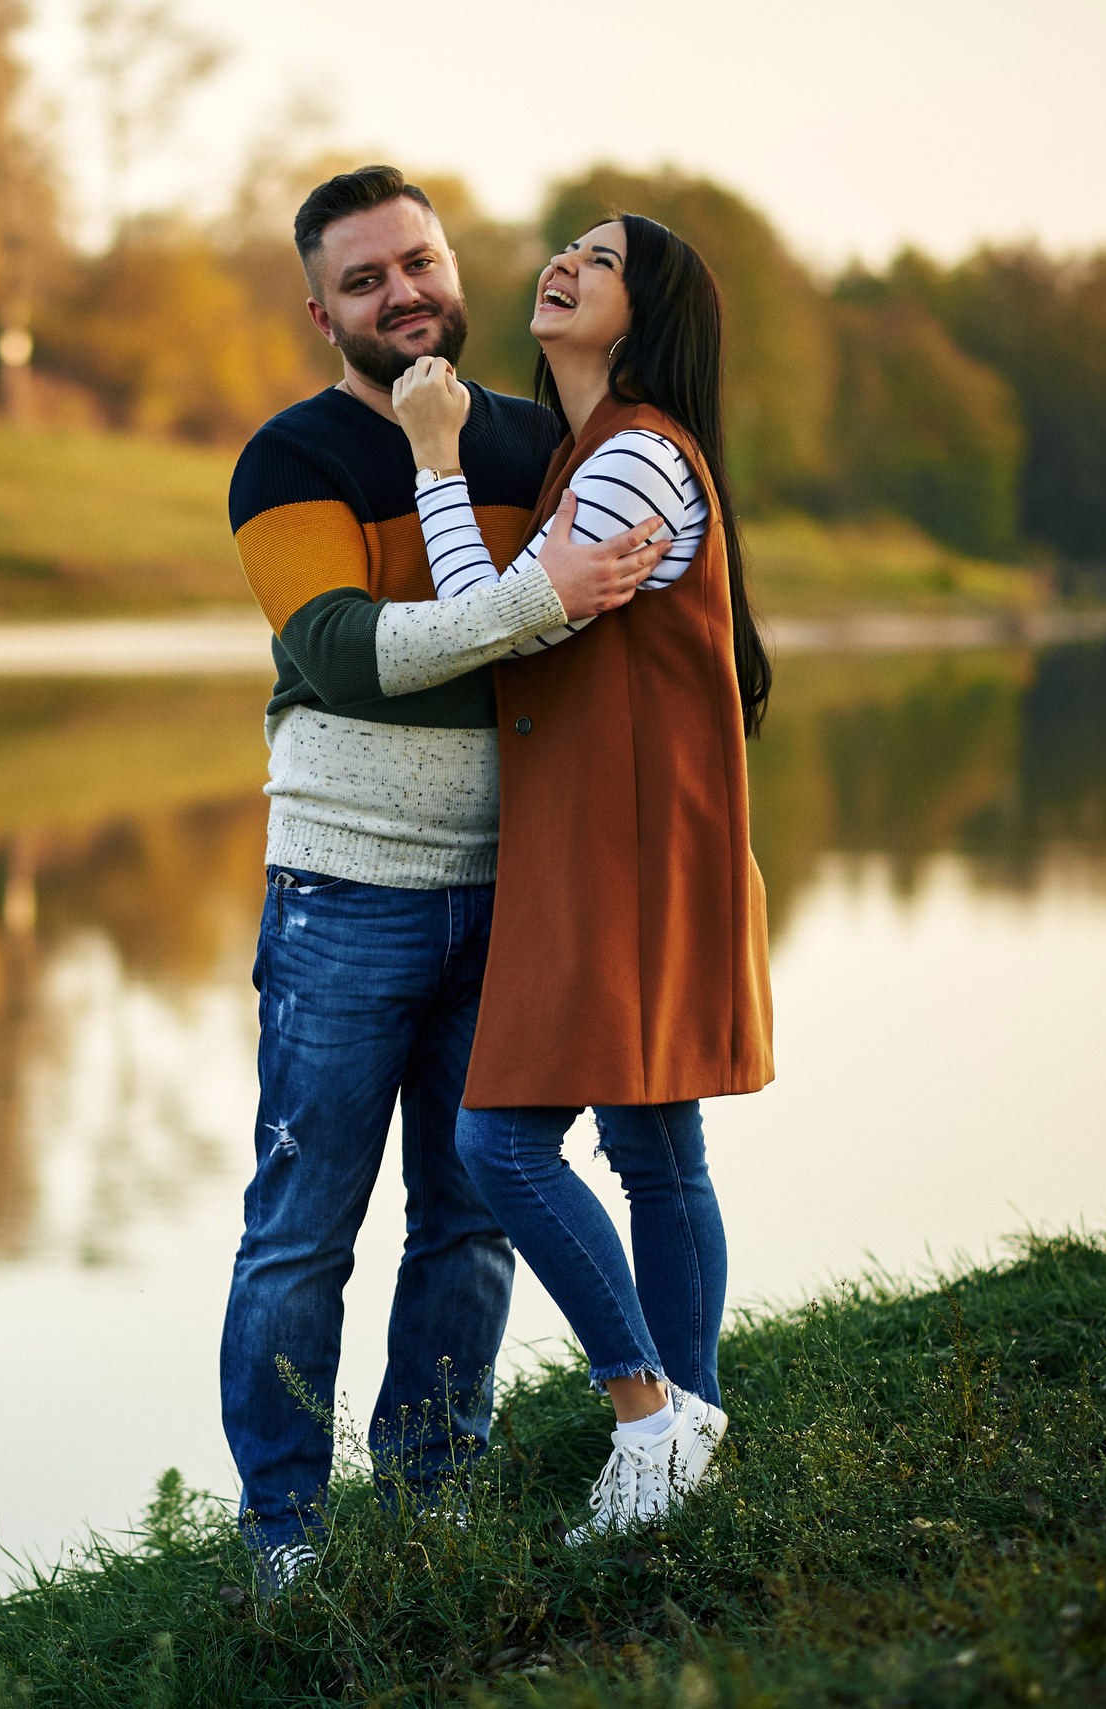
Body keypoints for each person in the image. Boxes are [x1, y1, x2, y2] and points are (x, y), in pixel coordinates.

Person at [220, 167, 674, 1594]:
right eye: (364, 280)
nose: (401, 294)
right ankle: (284, 1534)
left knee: (470, 1215)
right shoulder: (286, 461)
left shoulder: (546, 441)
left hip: (517, 898)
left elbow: (603, 650)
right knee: (302, 1230)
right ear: (322, 314)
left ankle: (434, 1497)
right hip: (346, 897)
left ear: (452, 266)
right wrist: (540, 604)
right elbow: (346, 655)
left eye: (416, 262)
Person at [388, 213, 775, 1544]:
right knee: (657, 1149)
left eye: (600, 260)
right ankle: (691, 1420)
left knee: (500, 1142)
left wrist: (437, 459)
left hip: (621, 849)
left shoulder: (638, 459)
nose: (563, 263)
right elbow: (526, 613)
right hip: (625, 836)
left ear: (648, 309)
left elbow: (486, 632)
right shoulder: (589, 457)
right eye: (564, 247)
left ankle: (647, 1409)